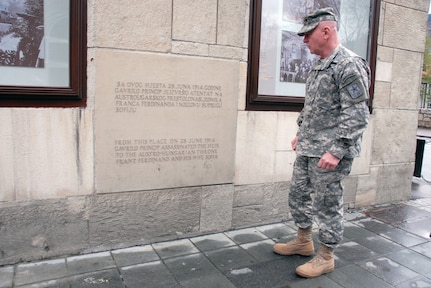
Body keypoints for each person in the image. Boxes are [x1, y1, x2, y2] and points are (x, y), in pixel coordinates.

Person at [273, 7, 370, 278]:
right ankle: (304, 241)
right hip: (309, 146)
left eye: (308, 35)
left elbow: (358, 114)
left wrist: (337, 151)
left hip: (329, 152)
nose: (304, 41)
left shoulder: (349, 64)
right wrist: (301, 132)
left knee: (327, 203)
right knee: (299, 195)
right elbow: (312, 108)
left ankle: (326, 255)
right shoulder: (318, 66)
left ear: (326, 31)